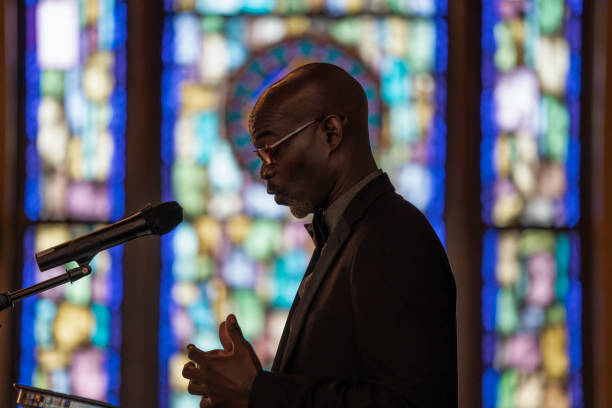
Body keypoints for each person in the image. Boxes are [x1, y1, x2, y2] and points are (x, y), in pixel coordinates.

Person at [182, 62, 458, 407]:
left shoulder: (392, 236)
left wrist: (259, 392)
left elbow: (407, 403)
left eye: (271, 150)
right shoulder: (343, 235)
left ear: (330, 133)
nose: (264, 170)